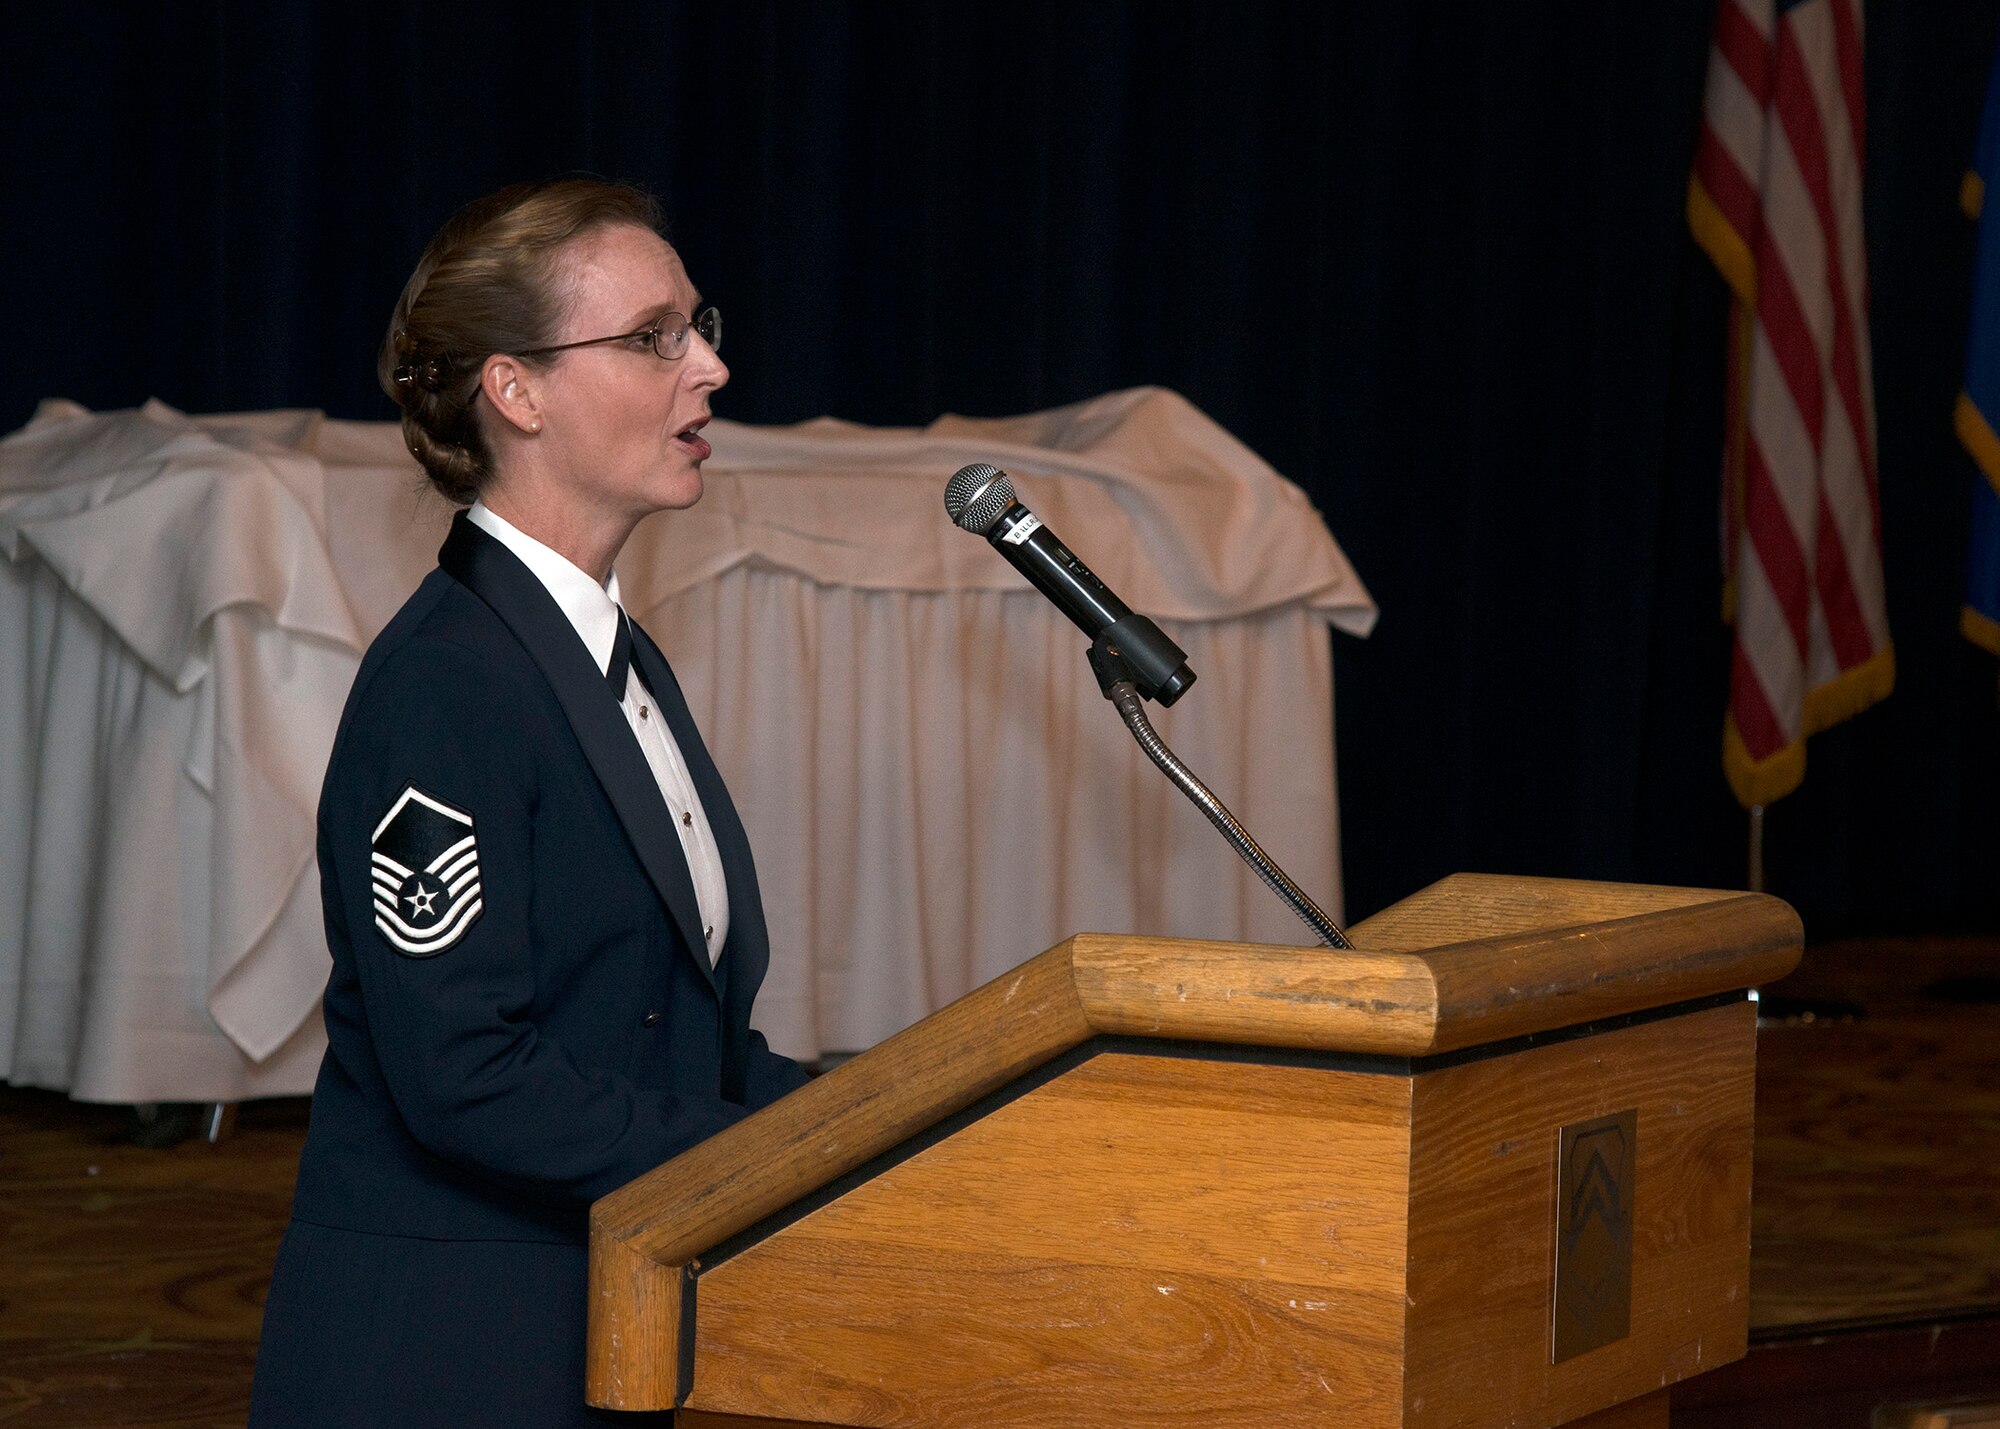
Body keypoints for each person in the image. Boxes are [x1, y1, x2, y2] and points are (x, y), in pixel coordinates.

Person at [248, 179, 810, 1428]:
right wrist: (776, 1157)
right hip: (449, 1354)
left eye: (697, 324)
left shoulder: (610, 655)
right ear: (517, 390)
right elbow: (470, 1078)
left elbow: (663, 1035)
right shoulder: (445, 684)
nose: (710, 366)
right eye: (655, 336)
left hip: (590, 1319)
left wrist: (888, 1110)